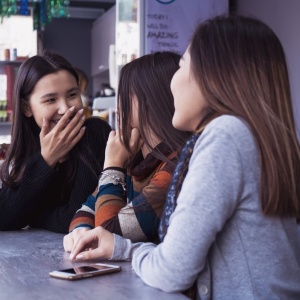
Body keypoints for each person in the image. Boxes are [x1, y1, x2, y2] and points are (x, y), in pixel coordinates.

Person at [69, 15, 300, 299]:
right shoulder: (252, 135)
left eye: (181, 66)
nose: (172, 83)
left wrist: (127, 249)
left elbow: (171, 270)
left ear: (212, 77)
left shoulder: (225, 136)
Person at [63, 52, 191, 252]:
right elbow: (85, 209)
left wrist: (112, 166)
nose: (117, 105)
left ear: (149, 102)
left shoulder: (175, 168)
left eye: (124, 95)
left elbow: (108, 235)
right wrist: (79, 231)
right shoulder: (137, 162)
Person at [0, 52, 111, 233]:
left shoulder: (94, 133)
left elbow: (75, 219)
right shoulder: (30, 146)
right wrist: (47, 160)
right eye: (51, 99)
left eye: (72, 95)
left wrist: (32, 214)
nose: (65, 108)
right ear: (27, 108)